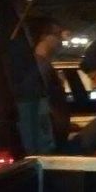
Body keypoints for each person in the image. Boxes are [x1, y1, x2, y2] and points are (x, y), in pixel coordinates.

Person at [28, 17, 70, 151]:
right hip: (50, 139)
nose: (61, 39)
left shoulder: (41, 64)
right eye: (57, 34)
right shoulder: (41, 65)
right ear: (43, 36)